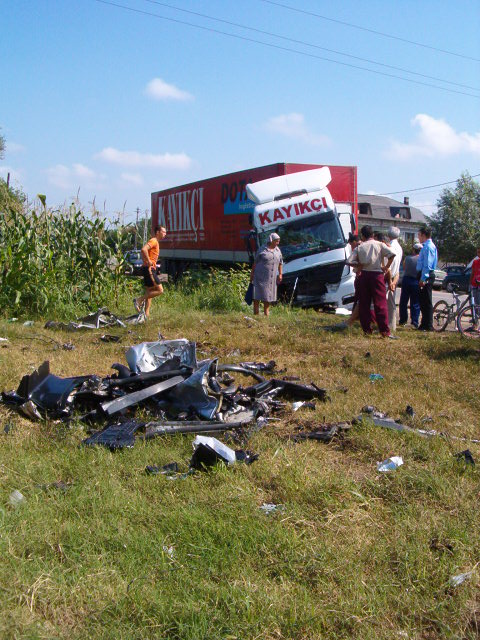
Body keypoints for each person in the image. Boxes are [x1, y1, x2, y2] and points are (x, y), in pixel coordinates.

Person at [347, 225, 395, 337]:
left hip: (364, 275)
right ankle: (384, 331)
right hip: (377, 275)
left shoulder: (360, 247)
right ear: (372, 234)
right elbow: (392, 255)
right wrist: (386, 267)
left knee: (364, 303)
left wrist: (359, 266)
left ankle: (367, 330)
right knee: (380, 303)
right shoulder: (379, 244)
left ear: (362, 236)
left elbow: (349, 261)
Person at [134, 225, 167, 319]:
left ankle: (146, 315)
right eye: (163, 232)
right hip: (149, 269)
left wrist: (146, 261)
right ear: (157, 232)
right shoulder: (154, 241)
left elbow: (145, 251)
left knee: (150, 292)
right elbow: (143, 249)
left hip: (147, 268)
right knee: (160, 290)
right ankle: (138, 300)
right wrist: (148, 261)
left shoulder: (156, 242)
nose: (165, 234)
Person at [250, 232, 283, 316]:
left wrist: (280, 274)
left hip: (271, 278)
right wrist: (252, 274)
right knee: (257, 295)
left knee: (268, 295)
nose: (278, 243)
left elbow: (280, 263)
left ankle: (266, 314)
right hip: (259, 276)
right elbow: (255, 263)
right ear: (271, 240)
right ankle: (256, 313)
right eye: (276, 241)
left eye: (278, 241)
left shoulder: (278, 250)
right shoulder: (262, 249)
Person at [416, 226, 438, 331]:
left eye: (419, 235)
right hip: (423, 274)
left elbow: (427, 265)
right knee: (422, 300)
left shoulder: (428, 247)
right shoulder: (425, 246)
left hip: (426, 275)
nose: (418, 237)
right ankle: (424, 324)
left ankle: (428, 325)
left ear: (424, 235)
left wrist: (423, 278)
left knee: (426, 300)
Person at [399, 243, 422, 328]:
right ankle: (414, 321)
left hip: (406, 279)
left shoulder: (407, 258)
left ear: (413, 250)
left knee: (403, 301)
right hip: (416, 280)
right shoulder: (421, 259)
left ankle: (403, 320)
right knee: (415, 302)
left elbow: (404, 267)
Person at [385, 227, 403, 333]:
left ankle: (390, 325)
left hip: (389, 276)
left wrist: (390, 281)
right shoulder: (399, 247)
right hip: (394, 275)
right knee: (391, 301)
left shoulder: (390, 247)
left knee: (388, 301)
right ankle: (391, 324)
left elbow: (389, 266)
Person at [470, 246, 480, 327]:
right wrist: (470, 283)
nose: (478, 254)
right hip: (474, 284)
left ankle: (477, 323)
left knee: (478, 305)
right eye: (477, 252)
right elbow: (472, 273)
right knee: (473, 304)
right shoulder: (475, 262)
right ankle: (474, 323)